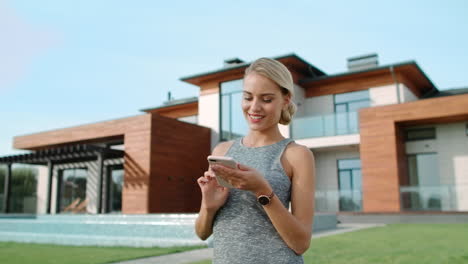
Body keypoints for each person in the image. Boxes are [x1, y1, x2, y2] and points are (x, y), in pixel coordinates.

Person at [195, 57, 316, 264]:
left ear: (285, 99)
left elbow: (301, 243)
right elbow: (202, 233)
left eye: (266, 99)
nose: (254, 107)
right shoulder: (223, 151)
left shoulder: (296, 155)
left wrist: (261, 190)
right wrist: (209, 205)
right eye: (248, 97)